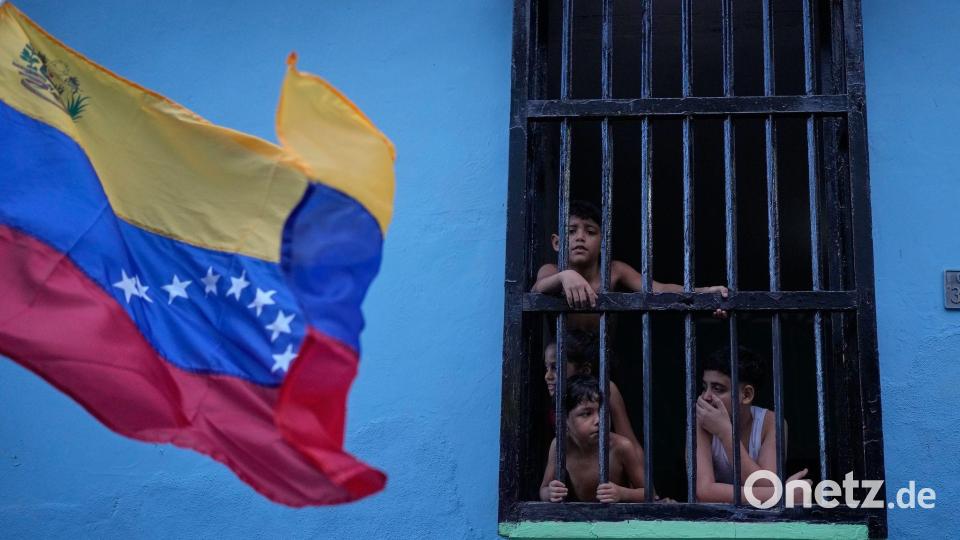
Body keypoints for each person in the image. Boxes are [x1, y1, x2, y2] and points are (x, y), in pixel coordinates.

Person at [531, 200, 729, 330]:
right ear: (556, 243)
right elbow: (536, 290)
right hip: (564, 361)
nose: (580, 237)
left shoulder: (614, 270)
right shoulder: (552, 270)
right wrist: (564, 276)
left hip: (603, 361)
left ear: (602, 243)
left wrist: (704, 293)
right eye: (572, 231)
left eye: (590, 232)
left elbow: (658, 289)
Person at [693, 346, 809, 503]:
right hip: (714, 521)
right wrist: (782, 496)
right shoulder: (702, 422)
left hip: (761, 521)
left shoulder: (770, 422)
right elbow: (704, 491)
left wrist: (726, 433)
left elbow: (767, 483)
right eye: (704, 387)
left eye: (718, 389)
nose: (706, 396)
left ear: (746, 395)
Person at [543, 329, 643, 471]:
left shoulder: (605, 388)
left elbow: (631, 443)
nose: (548, 375)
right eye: (546, 367)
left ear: (584, 371)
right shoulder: (557, 396)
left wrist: (647, 491)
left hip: (609, 476)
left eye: (556, 367)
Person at [540, 375, 648, 503]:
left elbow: (649, 494)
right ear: (564, 421)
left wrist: (622, 493)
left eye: (603, 412)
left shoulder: (621, 447)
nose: (599, 420)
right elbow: (543, 490)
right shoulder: (560, 446)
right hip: (578, 519)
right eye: (586, 413)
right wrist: (550, 493)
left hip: (617, 520)